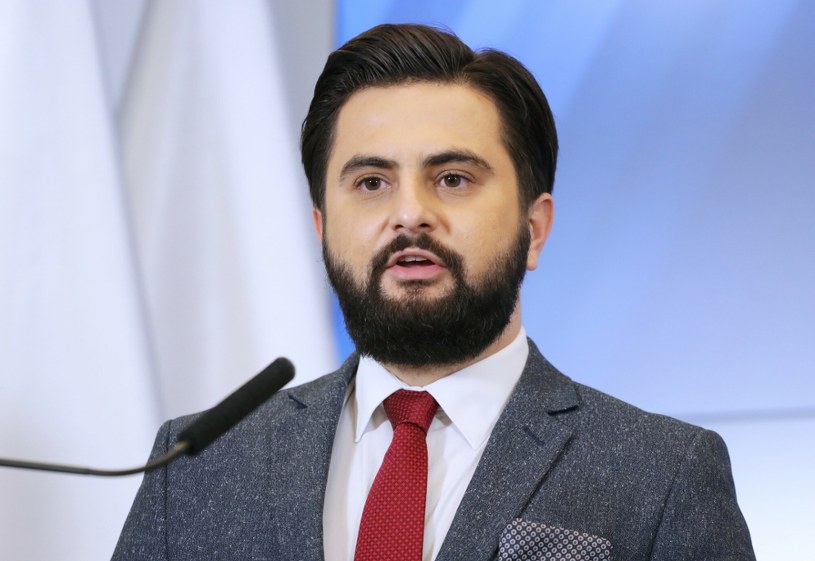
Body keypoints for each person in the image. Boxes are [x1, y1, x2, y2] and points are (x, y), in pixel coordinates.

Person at [112, 24, 755, 561]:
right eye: (371, 183)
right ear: (322, 228)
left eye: (452, 178)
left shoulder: (662, 474)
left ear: (533, 230)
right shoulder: (196, 467)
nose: (410, 214)